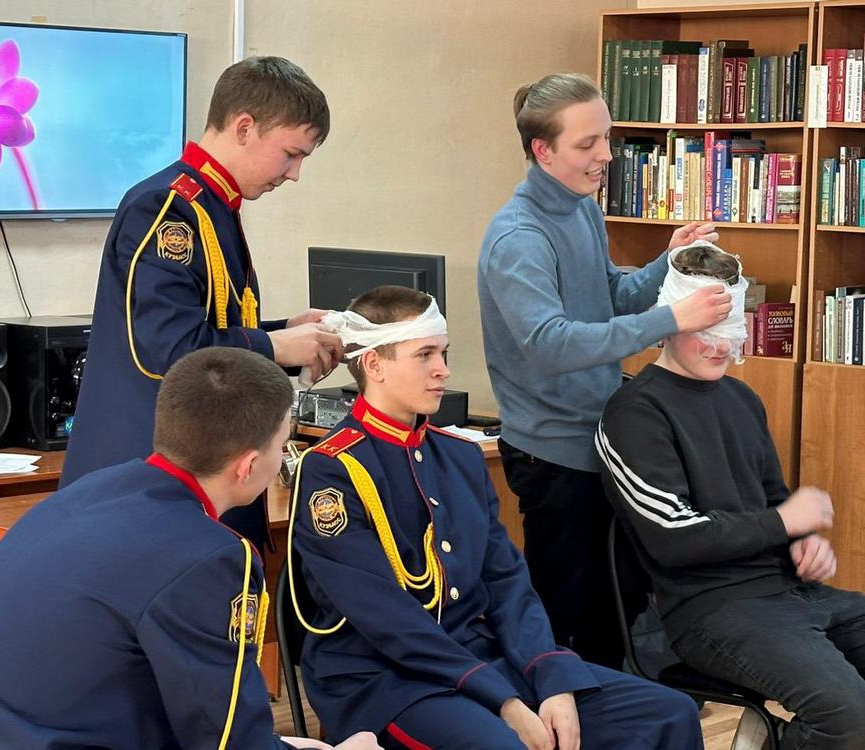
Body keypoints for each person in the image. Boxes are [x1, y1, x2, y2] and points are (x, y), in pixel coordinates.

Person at [0, 348, 381, 750]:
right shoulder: (211, 558)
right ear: (248, 465)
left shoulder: (91, 490)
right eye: (283, 444)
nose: (285, 458)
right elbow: (227, 739)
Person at [289, 285, 702, 750]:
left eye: (443, 352)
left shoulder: (460, 457)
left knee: (668, 712)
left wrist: (551, 675)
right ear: (374, 365)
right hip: (386, 679)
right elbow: (386, 618)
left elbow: (507, 582)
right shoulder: (333, 471)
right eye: (424, 355)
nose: (443, 369)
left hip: (480, 656)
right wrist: (504, 699)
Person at [477, 72, 732, 668]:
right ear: (543, 151)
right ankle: (565, 707)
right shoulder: (518, 237)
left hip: (601, 438)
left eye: (607, 138)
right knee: (568, 614)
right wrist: (671, 318)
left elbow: (612, 296)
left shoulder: (581, 209)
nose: (607, 155)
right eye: (588, 143)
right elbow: (551, 344)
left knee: (616, 604)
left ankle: (621, 704)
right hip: (554, 455)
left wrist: (668, 260)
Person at [62, 56, 343, 548]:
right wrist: (276, 346)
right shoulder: (167, 207)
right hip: (151, 484)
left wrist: (284, 329)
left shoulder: (211, 203)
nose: (295, 174)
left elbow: (209, 326)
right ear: (244, 127)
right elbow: (169, 349)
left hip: (195, 474)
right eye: (290, 154)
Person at [597, 243, 865, 750]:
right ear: (669, 323)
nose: (720, 348)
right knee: (849, 718)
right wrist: (784, 523)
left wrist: (801, 541)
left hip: (791, 592)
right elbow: (674, 538)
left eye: (730, 333)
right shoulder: (634, 413)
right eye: (706, 333)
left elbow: (772, 502)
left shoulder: (742, 398)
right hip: (712, 609)